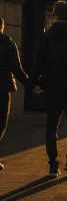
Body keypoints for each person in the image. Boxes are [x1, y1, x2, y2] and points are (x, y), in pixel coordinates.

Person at [32, 0, 67, 178]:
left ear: (55, 15)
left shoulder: (47, 35)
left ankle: (52, 165)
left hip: (52, 88)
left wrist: (36, 82)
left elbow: (38, 61)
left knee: (51, 126)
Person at [0, 17, 33, 170]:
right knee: (1, 123)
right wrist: (31, 85)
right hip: (2, 89)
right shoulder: (8, 44)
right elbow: (17, 69)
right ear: (2, 27)